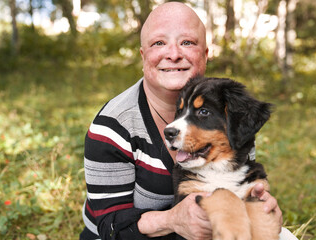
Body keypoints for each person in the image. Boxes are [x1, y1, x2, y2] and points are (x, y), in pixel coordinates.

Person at [80, 2, 296, 240]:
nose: (173, 54)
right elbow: (109, 226)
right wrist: (173, 220)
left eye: (187, 42)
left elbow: (243, 186)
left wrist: (265, 214)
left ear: (205, 54)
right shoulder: (112, 126)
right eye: (158, 43)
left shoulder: (228, 111)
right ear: (143, 56)